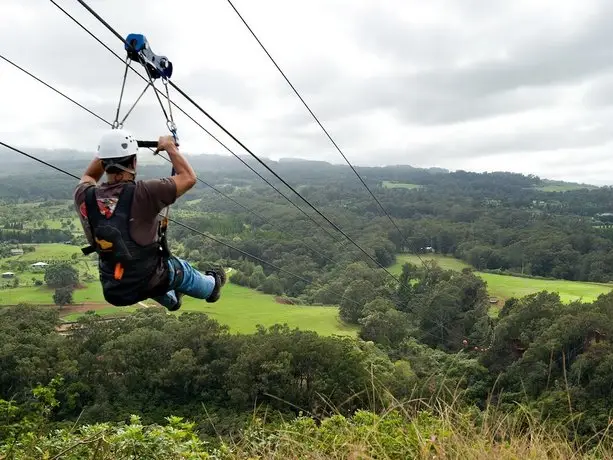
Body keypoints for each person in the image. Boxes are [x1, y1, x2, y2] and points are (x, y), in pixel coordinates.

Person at [73, 128, 226, 311]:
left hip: (114, 288)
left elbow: (89, 176)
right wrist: (170, 147)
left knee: (145, 274)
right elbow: (188, 178)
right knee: (180, 271)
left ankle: (173, 301)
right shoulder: (144, 192)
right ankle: (212, 287)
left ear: (103, 162)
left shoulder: (83, 195)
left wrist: (106, 151)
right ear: (134, 161)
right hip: (149, 278)